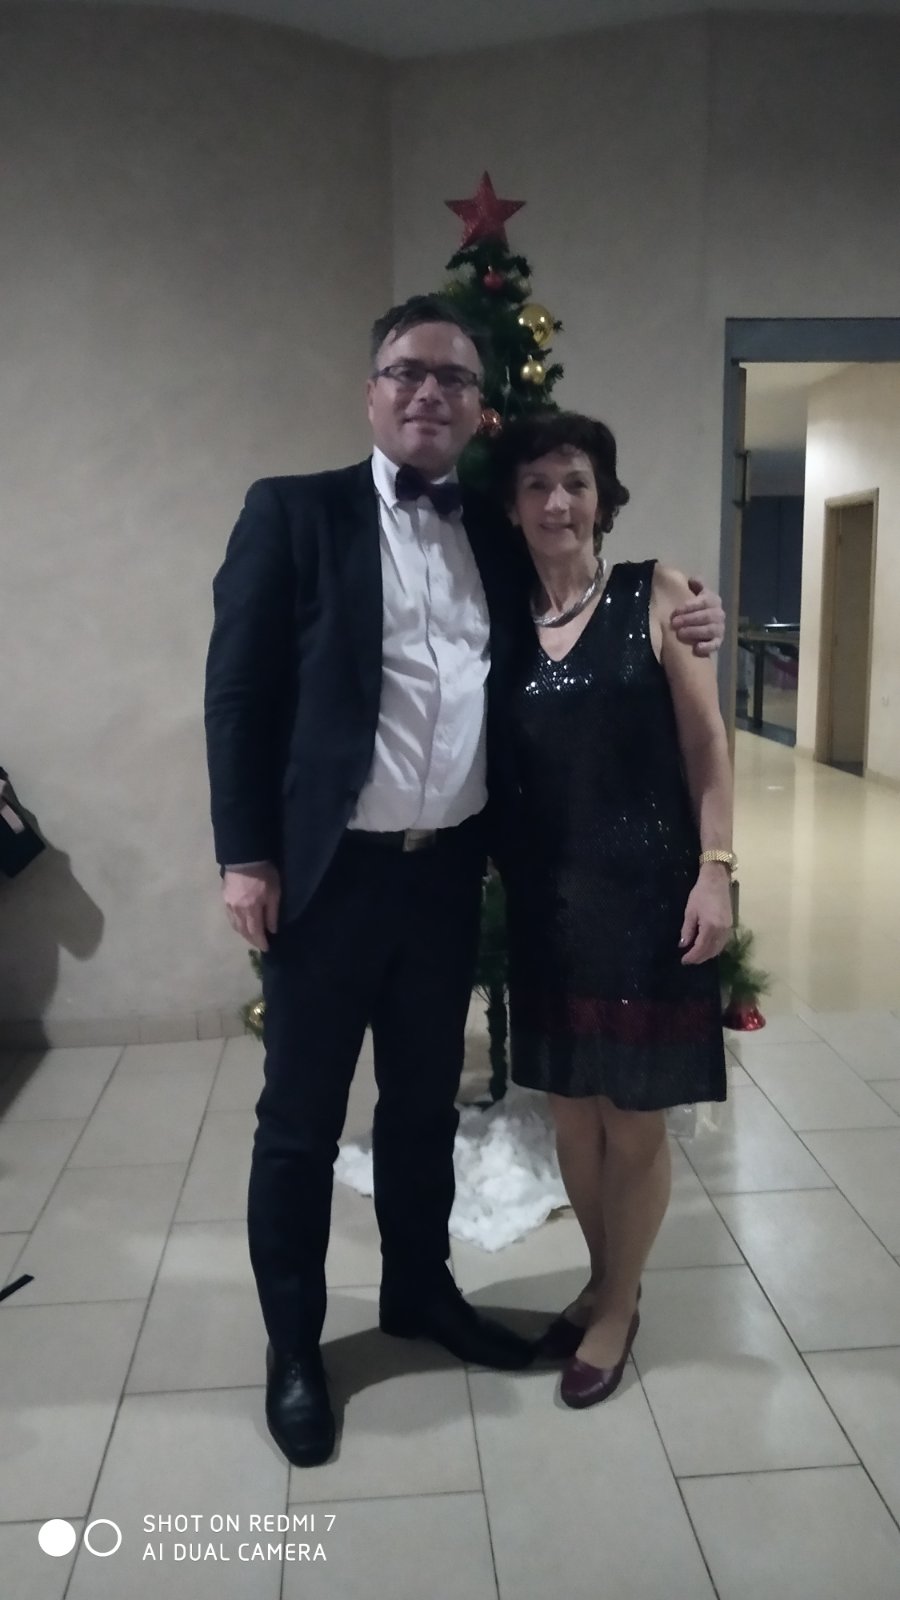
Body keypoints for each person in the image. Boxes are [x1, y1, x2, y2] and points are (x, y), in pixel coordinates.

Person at [203, 296, 726, 1467]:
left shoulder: (492, 529)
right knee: (298, 1125)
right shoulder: (293, 514)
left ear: (478, 406)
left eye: (452, 377)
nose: (429, 391)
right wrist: (245, 855)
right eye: (408, 371)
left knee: (421, 1107)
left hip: (448, 882)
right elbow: (237, 695)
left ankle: (421, 1291)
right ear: (373, 390)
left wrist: (695, 609)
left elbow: (589, 599)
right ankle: (294, 1346)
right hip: (329, 883)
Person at [489, 410, 733, 1409]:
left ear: (604, 499)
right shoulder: (501, 617)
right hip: (547, 905)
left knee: (632, 1120)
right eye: (538, 484)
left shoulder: (657, 594)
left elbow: (706, 745)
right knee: (570, 1115)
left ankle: (620, 1303)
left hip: (648, 899)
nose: (558, 502)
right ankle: (602, 1278)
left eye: (577, 483)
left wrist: (716, 870)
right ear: (513, 505)